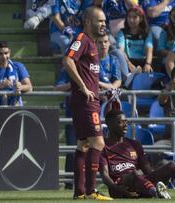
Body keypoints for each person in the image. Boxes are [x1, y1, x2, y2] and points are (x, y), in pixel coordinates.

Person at [100, 109, 175, 199]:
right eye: (121, 122)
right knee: (133, 174)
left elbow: (148, 171)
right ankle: (156, 192)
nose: (125, 125)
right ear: (110, 125)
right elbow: (105, 176)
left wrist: (158, 178)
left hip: (140, 184)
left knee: (171, 166)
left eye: (126, 122)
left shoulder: (134, 144)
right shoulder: (103, 146)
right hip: (119, 188)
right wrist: (120, 190)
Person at [62, 6, 113, 200]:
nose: (103, 25)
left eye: (105, 22)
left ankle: (80, 192)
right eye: (99, 21)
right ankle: (92, 191)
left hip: (88, 100)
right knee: (98, 143)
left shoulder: (91, 43)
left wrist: (101, 87)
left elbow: (87, 72)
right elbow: (67, 61)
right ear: (89, 21)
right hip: (85, 101)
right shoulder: (82, 39)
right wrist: (83, 86)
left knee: (83, 145)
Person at [116, 6, 153, 73]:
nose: (131, 20)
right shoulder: (122, 33)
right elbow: (121, 51)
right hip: (127, 62)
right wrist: (129, 64)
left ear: (141, 19)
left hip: (143, 62)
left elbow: (149, 50)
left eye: (135, 17)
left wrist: (148, 64)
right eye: (129, 17)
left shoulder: (147, 33)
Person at [0, 41, 33, 106]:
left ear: (10, 52)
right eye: (0, 54)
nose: (4, 57)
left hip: (15, 109)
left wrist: (20, 87)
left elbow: (29, 87)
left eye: (6, 53)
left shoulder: (18, 66)